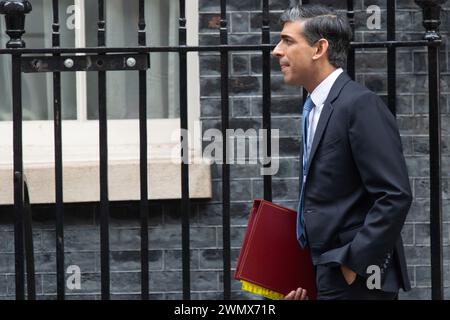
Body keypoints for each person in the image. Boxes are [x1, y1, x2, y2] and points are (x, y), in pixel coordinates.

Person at [272, 4, 412, 300]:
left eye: (287, 41)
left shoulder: (360, 105)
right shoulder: (313, 108)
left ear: (318, 48)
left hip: (356, 278)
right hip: (323, 270)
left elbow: (394, 195)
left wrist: (353, 262)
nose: (276, 51)